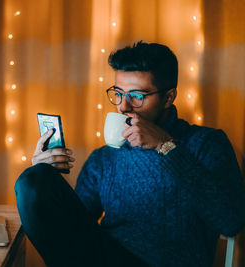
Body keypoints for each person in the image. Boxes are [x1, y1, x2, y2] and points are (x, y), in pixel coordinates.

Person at [14, 41, 245, 267]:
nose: (123, 106)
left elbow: (230, 221)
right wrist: (44, 177)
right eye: (118, 93)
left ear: (168, 97)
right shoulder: (104, 159)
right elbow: (74, 232)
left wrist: (166, 146)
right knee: (32, 182)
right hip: (106, 258)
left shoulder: (206, 144)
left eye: (137, 96)